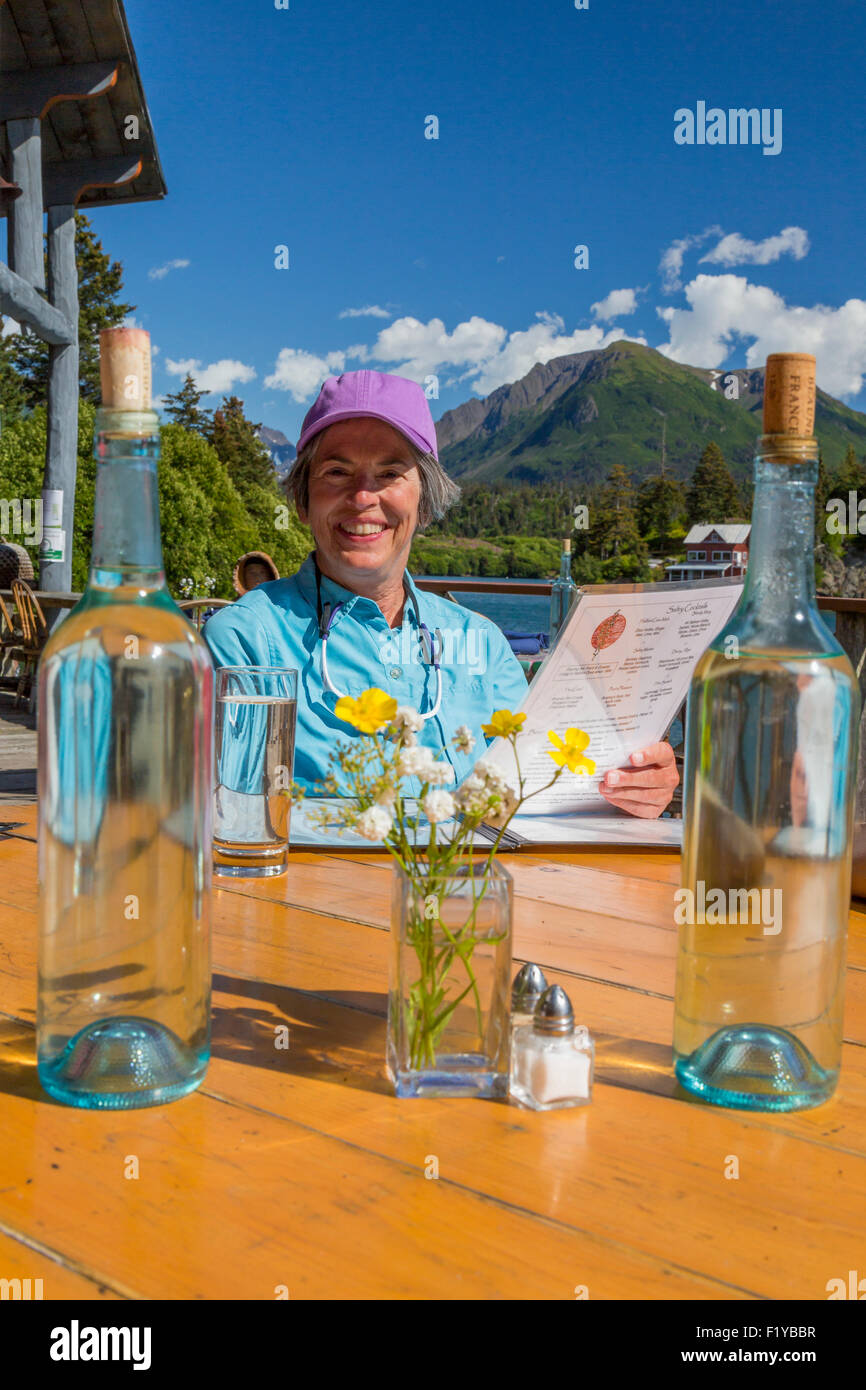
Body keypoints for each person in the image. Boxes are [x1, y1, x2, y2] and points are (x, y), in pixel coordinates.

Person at [203, 370, 678, 815]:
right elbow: (227, 813)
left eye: (390, 473)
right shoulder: (243, 640)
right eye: (336, 473)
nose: (364, 496)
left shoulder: (484, 643)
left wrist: (625, 788)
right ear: (303, 502)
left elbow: (540, 789)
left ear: (425, 503)